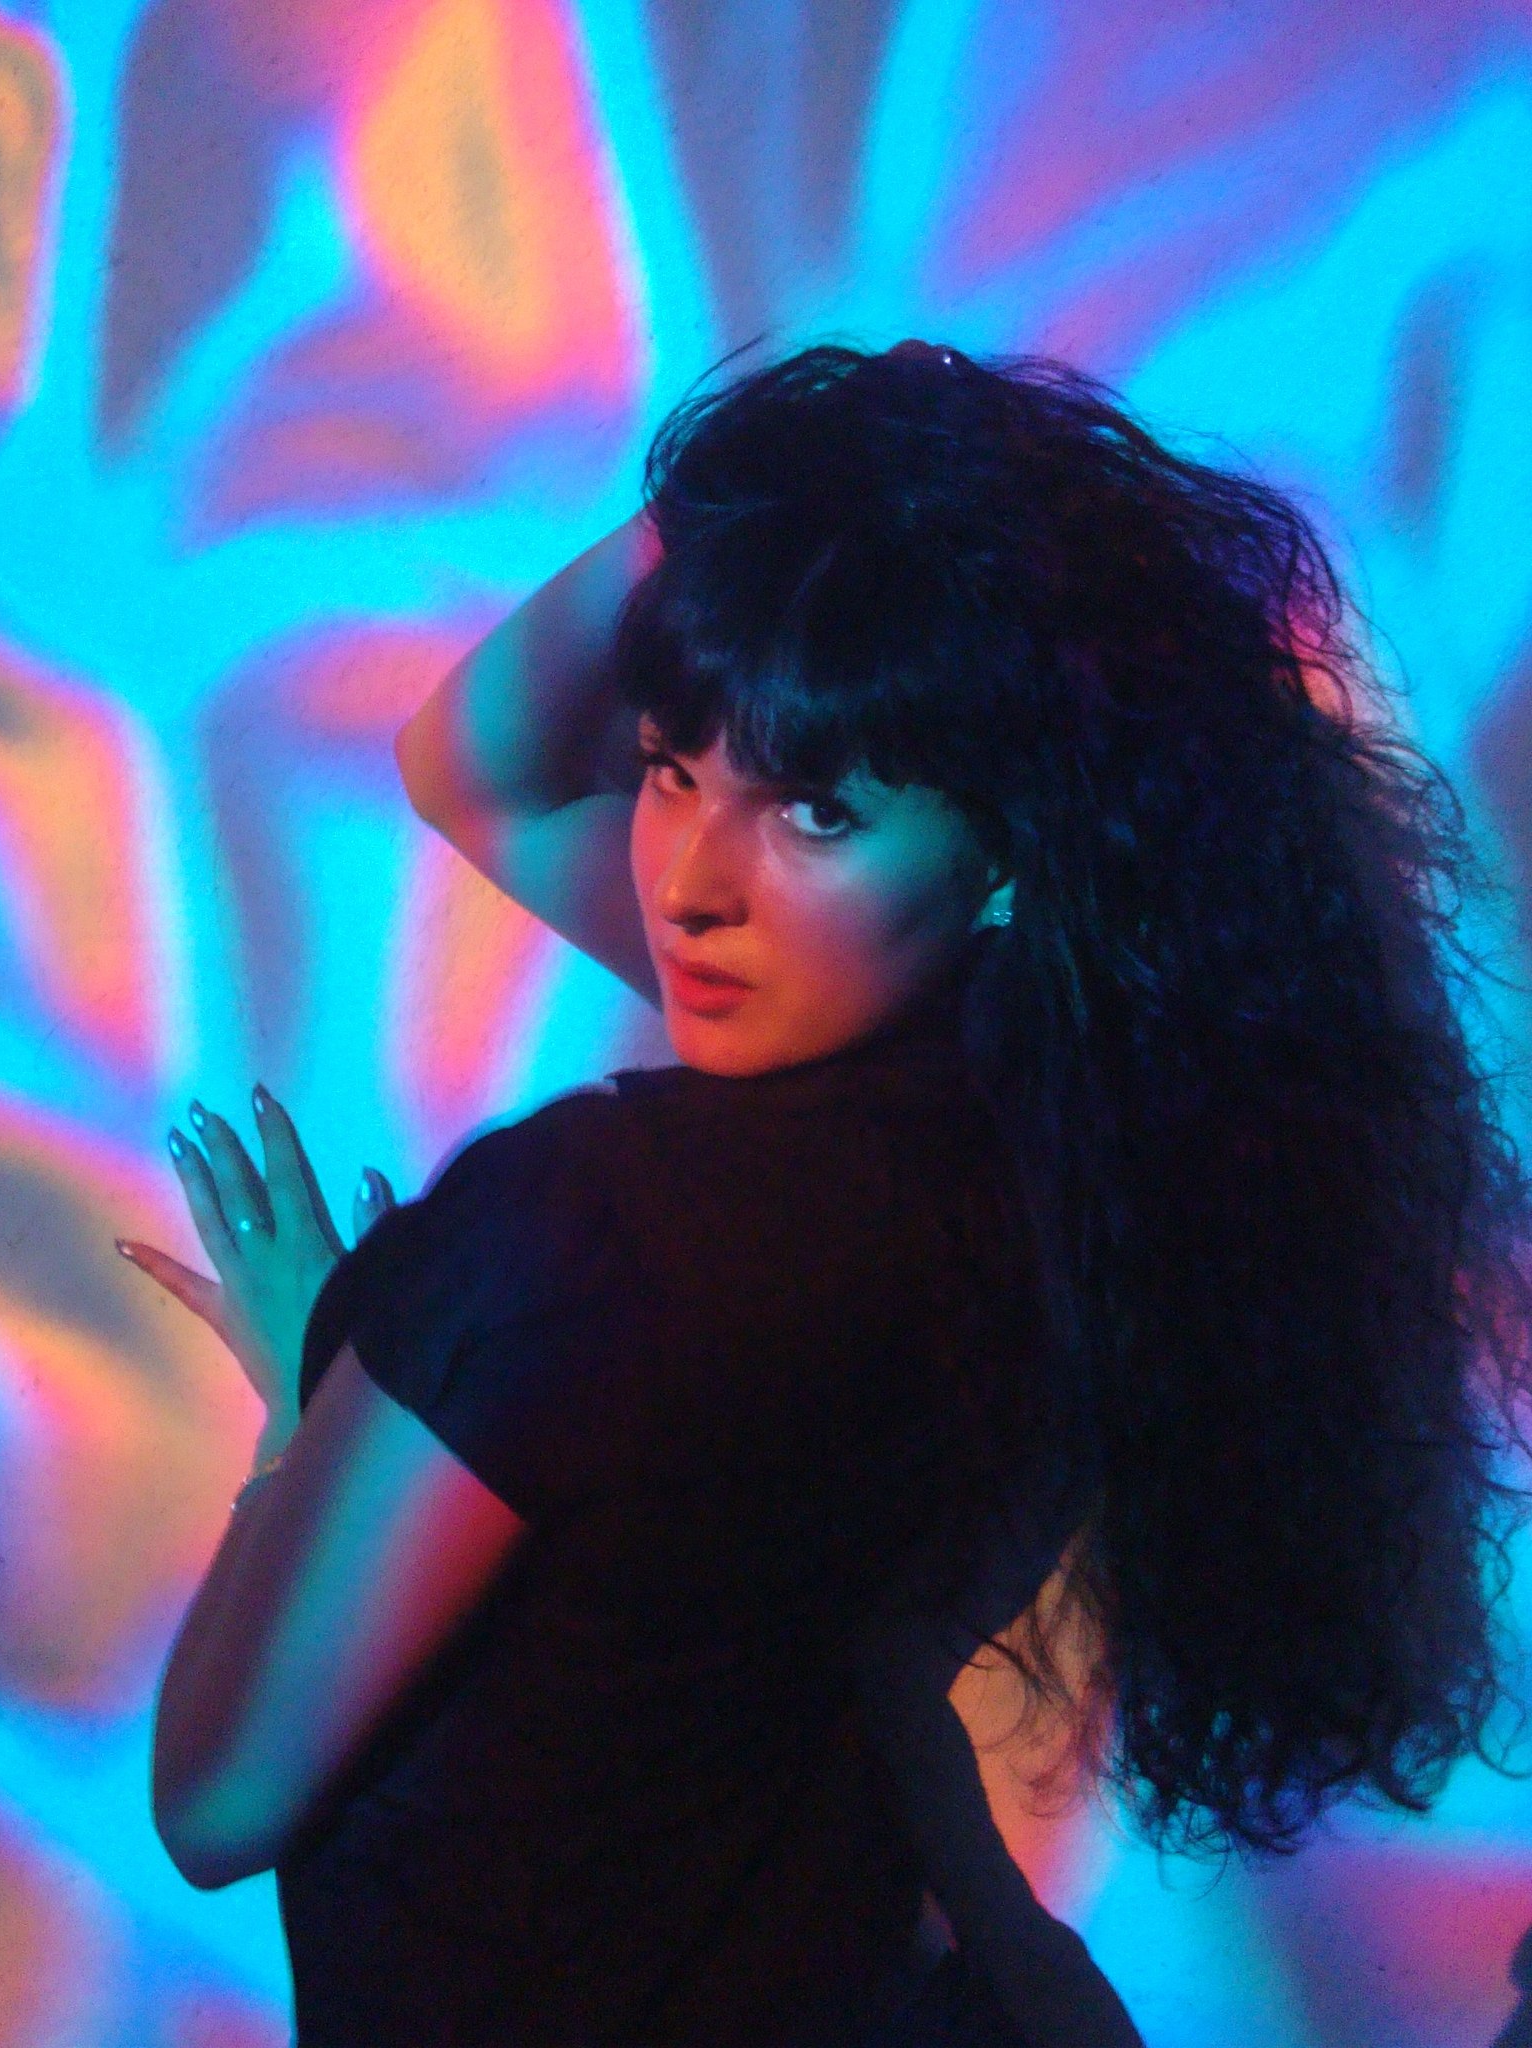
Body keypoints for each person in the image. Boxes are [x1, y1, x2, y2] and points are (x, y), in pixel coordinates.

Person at [121, 341, 1532, 2047]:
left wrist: (317, 1412)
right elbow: (479, 771)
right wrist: (832, 478)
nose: (692, 886)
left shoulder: (587, 1234)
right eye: (670, 764)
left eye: (815, 809)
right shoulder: (1086, 1161)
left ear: (1006, 848)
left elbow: (214, 1801)